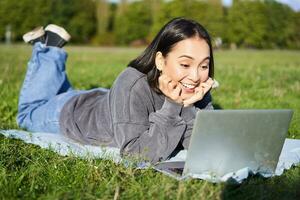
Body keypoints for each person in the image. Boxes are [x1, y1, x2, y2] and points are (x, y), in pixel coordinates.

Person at [17, 18, 216, 163]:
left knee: (59, 93)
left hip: (105, 102)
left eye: (204, 66)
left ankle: (50, 51)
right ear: (160, 61)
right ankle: (49, 49)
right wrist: (173, 106)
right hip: (72, 114)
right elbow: (136, 153)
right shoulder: (132, 83)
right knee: (27, 114)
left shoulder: (194, 87)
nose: (196, 76)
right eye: (185, 64)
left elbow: (200, 143)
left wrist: (190, 105)